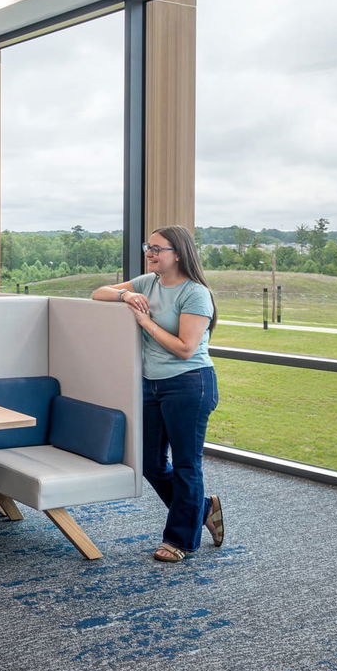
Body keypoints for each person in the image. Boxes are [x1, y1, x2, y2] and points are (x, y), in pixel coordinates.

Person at [91, 225, 224, 563]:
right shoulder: (147, 282)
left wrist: (144, 321)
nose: (149, 252)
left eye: (157, 248)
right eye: (148, 246)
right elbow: (97, 293)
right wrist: (125, 295)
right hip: (152, 385)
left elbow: (184, 348)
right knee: (150, 462)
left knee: (185, 465)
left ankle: (180, 540)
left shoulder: (195, 293)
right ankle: (203, 508)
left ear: (178, 253)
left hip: (189, 383)